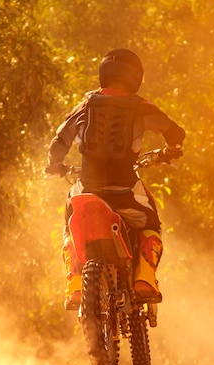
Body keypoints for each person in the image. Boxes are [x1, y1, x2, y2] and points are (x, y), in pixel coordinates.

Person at [45, 48, 185, 310]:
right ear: (136, 77)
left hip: (87, 190)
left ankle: (75, 282)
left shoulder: (87, 105)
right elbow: (174, 131)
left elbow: (59, 140)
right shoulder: (140, 106)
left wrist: (55, 165)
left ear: (103, 74)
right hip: (125, 193)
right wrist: (172, 149)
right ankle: (144, 278)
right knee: (150, 222)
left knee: (70, 224)